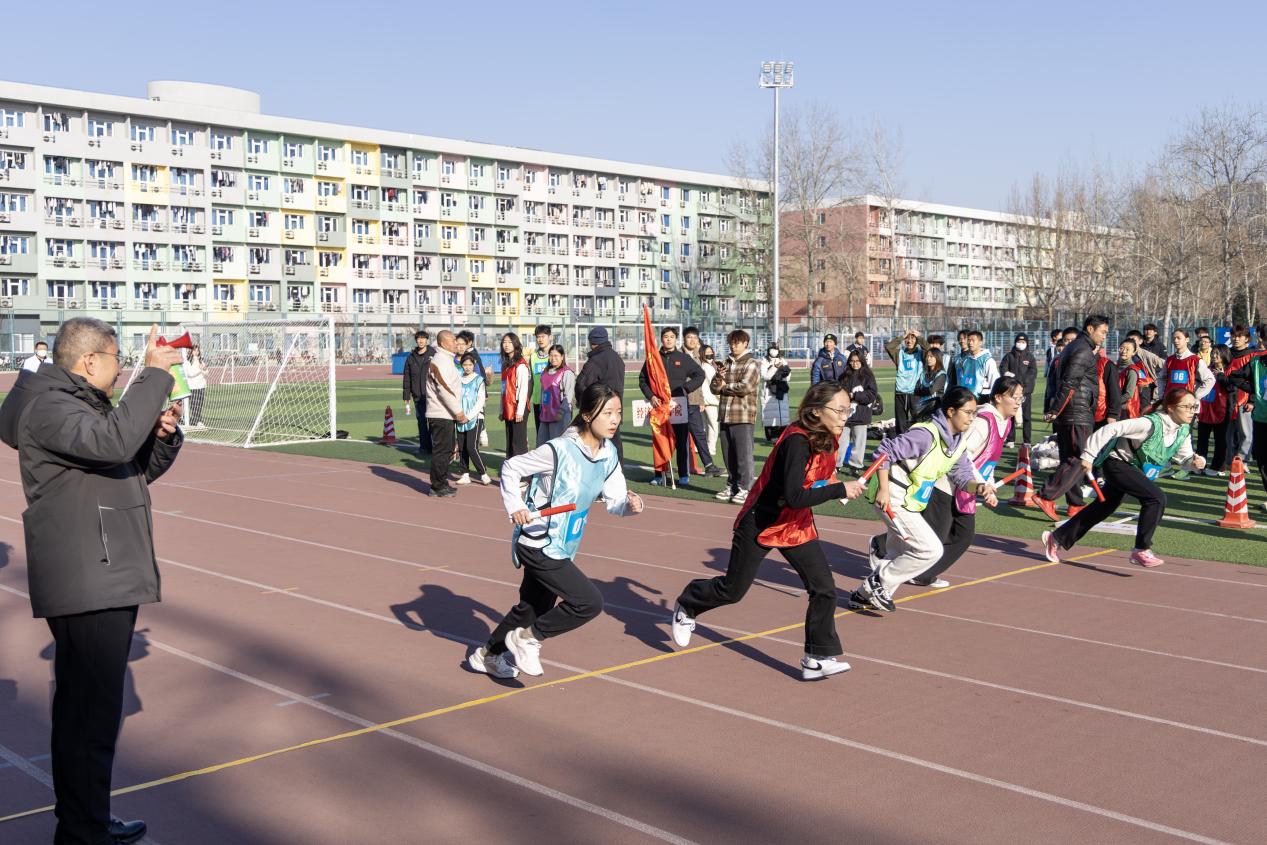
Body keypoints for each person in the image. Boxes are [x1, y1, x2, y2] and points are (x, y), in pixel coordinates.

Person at [0, 320, 184, 845]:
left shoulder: (75, 406)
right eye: (116, 358)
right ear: (88, 361)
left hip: (99, 568)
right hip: (89, 573)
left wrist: (160, 437)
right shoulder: (52, 407)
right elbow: (113, 443)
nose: (121, 368)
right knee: (91, 718)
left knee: (86, 715)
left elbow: (126, 468)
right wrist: (154, 376)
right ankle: (83, 831)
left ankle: (85, 822)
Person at [670, 382, 867, 680]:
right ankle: (688, 604)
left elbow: (814, 480)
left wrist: (833, 484)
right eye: (840, 410)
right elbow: (794, 496)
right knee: (732, 590)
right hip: (761, 521)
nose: (845, 416)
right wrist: (839, 489)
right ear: (816, 411)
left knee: (824, 587)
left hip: (795, 525)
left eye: (847, 410)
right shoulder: (797, 442)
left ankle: (817, 658)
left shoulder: (827, 437)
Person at [471, 383, 644, 679]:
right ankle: (528, 639)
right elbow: (511, 468)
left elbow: (615, 500)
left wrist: (630, 505)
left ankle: (486, 655)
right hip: (538, 541)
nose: (615, 420)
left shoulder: (608, 454)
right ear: (587, 415)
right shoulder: (559, 450)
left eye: (618, 413)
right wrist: (515, 505)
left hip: (564, 544)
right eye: (608, 413)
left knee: (531, 609)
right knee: (589, 602)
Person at [850, 387, 995, 612]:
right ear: (951, 412)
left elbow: (962, 476)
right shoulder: (926, 434)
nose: (971, 418)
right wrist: (884, 490)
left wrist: (980, 487)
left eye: (974, 413)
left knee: (898, 553)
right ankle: (877, 583)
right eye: (968, 412)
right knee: (930, 550)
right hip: (893, 496)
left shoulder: (957, 443)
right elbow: (884, 452)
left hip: (910, 501)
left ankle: (862, 596)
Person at [1042, 388, 1205, 568]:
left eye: (1194, 407)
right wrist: (1088, 455)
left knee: (1103, 507)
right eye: (1187, 407)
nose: (1192, 411)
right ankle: (1141, 549)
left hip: (1134, 469)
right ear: (1171, 408)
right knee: (1156, 498)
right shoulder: (1149, 424)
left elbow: (1185, 458)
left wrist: (1195, 462)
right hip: (1116, 464)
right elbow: (1111, 429)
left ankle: (1056, 538)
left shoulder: (1183, 430)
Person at [906, 377, 1020, 589]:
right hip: (947, 483)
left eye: (1021, 398)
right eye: (1014, 397)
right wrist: (980, 483)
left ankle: (923, 573)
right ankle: (882, 546)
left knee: (962, 536)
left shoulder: (1005, 423)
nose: (1018, 402)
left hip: (968, 488)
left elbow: (988, 460)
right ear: (998, 397)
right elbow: (962, 454)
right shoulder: (983, 422)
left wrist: (988, 485)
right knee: (935, 534)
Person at [1034, 315, 1110, 521]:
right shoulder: (1082, 350)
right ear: (1090, 329)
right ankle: (1045, 495)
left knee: (1070, 459)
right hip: (1077, 413)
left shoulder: (1075, 348)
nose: (1104, 336)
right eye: (1102, 332)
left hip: (1072, 412)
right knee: (1081, 458)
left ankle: (1075, 503)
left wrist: (1057, 409)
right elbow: (1070, 383)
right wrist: (1056, 409)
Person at [639, 326, 707, 485]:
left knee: (681, 441)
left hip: (678, 405)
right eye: (665, 337)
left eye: (671, 337)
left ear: (676, 339)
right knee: (660, 441)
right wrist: (651, 396)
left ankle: (683, 474)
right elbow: (642, 380)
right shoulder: (653, 359)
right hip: (659, 407)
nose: (668, 339)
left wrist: (686, 389)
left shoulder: (683, 358)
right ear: (661, 339)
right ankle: (658, 475)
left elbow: (700, 374)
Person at [712, 329, 761, 505]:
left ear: (745, 343)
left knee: (743, 455)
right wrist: (719, 378)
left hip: (743, 415)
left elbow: (745, 387)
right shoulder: (726, 362)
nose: (733, 346)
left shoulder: (751, 363)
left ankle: (745, 488)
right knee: (728, 455)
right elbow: (714, 388)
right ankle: (732, 486)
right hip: (725, 414)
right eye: (731, 343)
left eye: (737, 343)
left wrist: (725, 386)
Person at [426, 330, 467, 497]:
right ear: (442, 343)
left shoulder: (447, 359)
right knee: (442, 451)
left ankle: (441, 482)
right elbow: (444, 389)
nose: (456, 343)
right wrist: (458, 411)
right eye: (452, 340)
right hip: (440, 413)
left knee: (446, 450)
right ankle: (437, 486)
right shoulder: (440, 361)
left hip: (445, 413)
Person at [575, 326, 626, 459]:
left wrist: (582, 404)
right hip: (616, 409)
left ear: (592, 342)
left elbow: (581, 385)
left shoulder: (595, 360)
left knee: (594, 446)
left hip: (599, 410)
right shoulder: (617, 358)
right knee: (615, 445)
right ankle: (618, 470)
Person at [1225, 350, 1267, 509]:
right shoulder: (1256, 362)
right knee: (1262, 459)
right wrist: (1254, 389)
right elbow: (1234, 376)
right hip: (1261, 417)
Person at [682, 327, 723, 478]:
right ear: (684, 339)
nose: (692, 340)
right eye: (689, 337)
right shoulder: (678, 355)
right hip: (679, 401)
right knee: (679, 437)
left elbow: (699, 382)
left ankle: (709, 465)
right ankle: (674, 469)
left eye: (695, 338)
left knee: (699, 434)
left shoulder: (697, 357)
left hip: (694, 402)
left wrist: (700, 400)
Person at [838, 350, 878, 475]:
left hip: (861, 414)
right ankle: (837, 465)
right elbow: (838, 392)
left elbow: (871, 395)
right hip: (845, 415)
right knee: (841, 442)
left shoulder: (868, 376)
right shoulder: (844, 376)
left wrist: (855, 395)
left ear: (862, 361)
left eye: (857, 361)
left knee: (859, 443)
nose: (854, 363)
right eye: (852, 361)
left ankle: (855, 466)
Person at [454, 352, 491, 485]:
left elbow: (480, 401)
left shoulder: (478, 380)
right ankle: (465, 474)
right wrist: (458, 414)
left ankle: (483, 473)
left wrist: (468, 417)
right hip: (460, 417)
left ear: (474, 365)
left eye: (470, 364)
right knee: (462, 447)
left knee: (471, 447)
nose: (467, 367)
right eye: (465, 365)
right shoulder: (458, 380)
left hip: (475, 418)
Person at [1196, 344, 1233, 477]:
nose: (1214, 356)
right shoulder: (1207, 369)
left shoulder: (1230, 370)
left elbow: (1232, 388)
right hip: (1206, 408)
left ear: (1224, 355)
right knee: (1202, 439)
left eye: (1217, 353)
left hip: (1222, 410)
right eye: (1213, 353)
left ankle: (1218, 466)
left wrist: (1221, 376)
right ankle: (1200, 464)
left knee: (1220, 440)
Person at [1158, 328, 1213, 405]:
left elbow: (1210, 379)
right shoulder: (1169, 360)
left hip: (1187, 405)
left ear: (1187, 339)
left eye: (1179, 338)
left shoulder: (1195, 360)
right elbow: (1161, 378)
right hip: (1170, 402)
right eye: (1174, 338)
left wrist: (1196, 396)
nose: (1175, 341)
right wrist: (1162, 395)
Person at [885, 330, 925, 433]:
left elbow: (928, 349)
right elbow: (889, 347)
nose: (909, 341)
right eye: (907, 338)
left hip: (915, 393)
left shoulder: (921, 354)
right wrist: (902, 336)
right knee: (900, 423)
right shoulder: (899, 354)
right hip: (900, 393)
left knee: (918, 421)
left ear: (916, 340)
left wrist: (920, 337)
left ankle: (918, 441)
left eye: (912, 338)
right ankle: (902, 442)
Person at [499, 332, 531, 459]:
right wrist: (501, 410)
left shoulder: (521, 365)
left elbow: (523, 389)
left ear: (515, 344)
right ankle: (510, 467)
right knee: (510, 440)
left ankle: (523, 470)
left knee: (518, 442)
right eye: (504, 342)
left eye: (509, 342)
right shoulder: (505, 365)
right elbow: (503, 389)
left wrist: (520, 411)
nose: (506, 345)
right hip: (508, 406)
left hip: (518, 406)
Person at [1000, 333, 1036, 445]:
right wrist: (1007, 374)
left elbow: (1032, 372)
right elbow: (1003, 368)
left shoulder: (1030, 357)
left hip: (1025, 391)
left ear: (1027, 343)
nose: (1021, 344)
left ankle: (1027, 441)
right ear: (1015, 342)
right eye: (1019, 342)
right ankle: (1010, 439)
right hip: (1011, 391)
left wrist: (1023, 384)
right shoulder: (1009, 356)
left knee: (1026, 417)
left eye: (1023, 342)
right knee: (1010, 415)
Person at [402, 330, 435, 455]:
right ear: (416, 340)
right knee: (421, 422)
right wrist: (406, 395)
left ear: (427, 340)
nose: (421, 341)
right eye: (419, 338)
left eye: (423, 338)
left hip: (432, 396)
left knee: (433, 423)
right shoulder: (411, 357)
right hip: (417, 396)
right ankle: (424, 448)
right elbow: (407, 377)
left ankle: (434, 447)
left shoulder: (434, 355)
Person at [536, 344, 577, 444]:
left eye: (556, 356)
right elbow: (543, 392)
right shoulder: (545, 372)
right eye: (551, 355)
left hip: (559, 416)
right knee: (542, 445)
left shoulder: (567, 373)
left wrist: (561, 412)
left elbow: (568, 396)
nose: (553, 358)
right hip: (545, 415)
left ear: (562, 357)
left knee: (558, 446)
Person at [955, 330, 1000, 401]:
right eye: (969, 340)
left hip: (982, 399)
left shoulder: (987, 360)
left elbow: (994, 381)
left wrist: (994, 400)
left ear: (980, 342)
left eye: (973, 340)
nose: (970, 343)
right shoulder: (966, 360)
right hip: (966, 398)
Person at [760, 343, 792, 442]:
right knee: (769, 414)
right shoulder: (764, 361)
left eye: (776, 349)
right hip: (769, 391)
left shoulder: (782, 360)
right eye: (772, 349)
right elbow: (765, 376)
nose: (774, 351)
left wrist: (784, 372)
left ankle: (783, 435)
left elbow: (788, 377)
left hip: (781, 389)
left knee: (783, 414)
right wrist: (774, 367)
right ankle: (771, 436)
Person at [1116, 338, 1152, 420]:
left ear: (1134, 352)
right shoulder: (1116, 366)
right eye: (1122, 348)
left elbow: (1129, 394)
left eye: (1127, 349)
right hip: (1117, 407)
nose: (1124, 351)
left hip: (1125, 410)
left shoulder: (1132, 370)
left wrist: (1113, 401)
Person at [528, 324, 553, 437]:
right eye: (538, 337)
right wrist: (527, 399)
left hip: (553, 401)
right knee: (540, 434)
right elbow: (532, 380)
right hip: (538, 401)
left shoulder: (556, 355)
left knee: (554, 435)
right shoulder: (533, 357)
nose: (540, 339)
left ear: (550, 337)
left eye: (543, 336)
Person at [698, 344, 721, 462]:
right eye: (707, 353)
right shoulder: (708, 367)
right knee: (713, 426)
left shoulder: (704, 365)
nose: (709, 354)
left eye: (711, 352)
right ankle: (710, 449)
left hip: (704, 400)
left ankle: (701, 447)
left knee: (705, 426)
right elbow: (715, 383)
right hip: (710, 401)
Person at [913, 347, 947, 418]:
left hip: (935, 409)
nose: (928, 359)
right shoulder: (923, 374)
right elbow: (916, 390)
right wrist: (925, 390)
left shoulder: (941, 375)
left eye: (931, 356)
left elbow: (931, 390)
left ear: (937, 358)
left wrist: (922, 389)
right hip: (922, 408)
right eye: (927, 356)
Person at [184, 343, 208, 428]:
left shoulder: (201, 360)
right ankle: (196, 420)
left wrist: (204, 369)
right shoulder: (187, 361)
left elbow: (206, 373)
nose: (196, 352)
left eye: (198, 350)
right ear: (191, 351)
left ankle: (197, 420)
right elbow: (190, 374)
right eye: (194, 350)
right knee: (194, 404)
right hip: (193, 386)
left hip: (201, 385)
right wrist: (200, 369)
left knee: (200, 405)